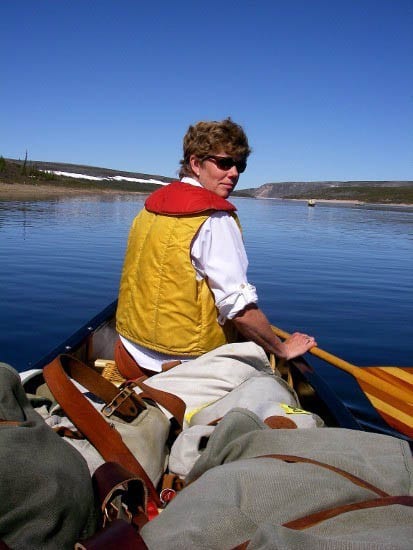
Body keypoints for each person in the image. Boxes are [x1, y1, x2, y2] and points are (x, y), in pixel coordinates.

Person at [116, 118, 316, 375]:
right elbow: (239, 309)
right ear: (195, 164)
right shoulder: (215, 218)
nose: (233, 173)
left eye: (239, 165)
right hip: (184, 362)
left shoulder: (150, 207)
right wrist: (282, 350)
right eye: (224, 163)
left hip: (130, 346)